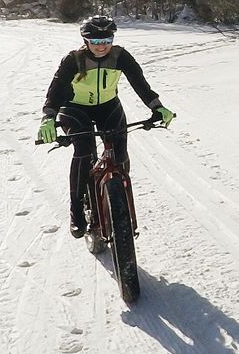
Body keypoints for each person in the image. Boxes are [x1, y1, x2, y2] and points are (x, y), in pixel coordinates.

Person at [39, 14, 176, 237]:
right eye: (95, 41)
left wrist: (157, 107)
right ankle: (77, 210)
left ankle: (120, 203)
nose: (101, 46)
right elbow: (55, 91)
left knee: (119, 154)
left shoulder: (120, 56)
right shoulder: (73, 60)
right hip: (74, 108)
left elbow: (140, 83)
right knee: (84, 149)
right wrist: (48, 118)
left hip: (108, 106)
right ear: (86, 41)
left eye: (106, 41)